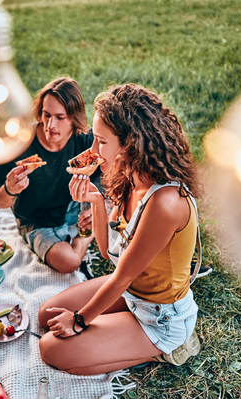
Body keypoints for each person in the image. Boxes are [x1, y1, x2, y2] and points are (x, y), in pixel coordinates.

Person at [38, 83, 202, 375]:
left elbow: (122, 276)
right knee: (46, 316)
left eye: (100, 142)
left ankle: (169, 348)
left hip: (159, 316)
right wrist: (95, 202)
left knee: (51, 347)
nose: (92, 151)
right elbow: (108, 252)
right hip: (130, 294)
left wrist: (79, 320)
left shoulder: (165, 203)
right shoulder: (129, 177)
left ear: (130, 144)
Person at [0, 77, 98, 274]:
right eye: (46, 115)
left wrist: (99, 206)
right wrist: (10, 189)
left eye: (60, 117)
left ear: (74, 117)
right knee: (69, 262)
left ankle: (88, 230)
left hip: (74, 209)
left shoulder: (86, 141)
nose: (50, 125)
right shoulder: (18, 142)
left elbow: (109, 178)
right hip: (36, 219)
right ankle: (86, 238)